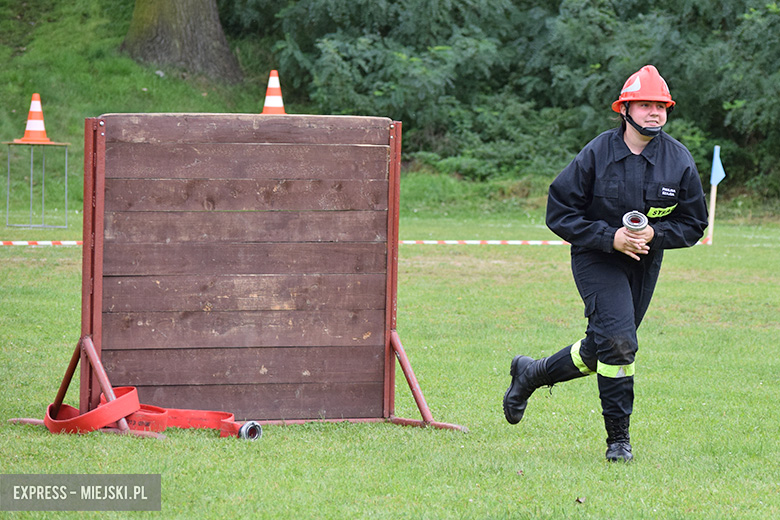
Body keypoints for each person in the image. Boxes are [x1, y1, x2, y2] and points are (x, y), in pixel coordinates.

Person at [502, 65, 708, 462]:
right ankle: (619, 442)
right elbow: (559, 211)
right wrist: (609, 237)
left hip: (645, 263)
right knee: (619, 343)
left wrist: (654, 235)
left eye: (661, 106)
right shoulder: (597, 153)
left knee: (606, 348)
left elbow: (694, 223)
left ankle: (532, 373)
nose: (655, 113)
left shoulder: (678, 160)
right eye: (646, 105)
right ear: (625, 109)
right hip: (596, 257)